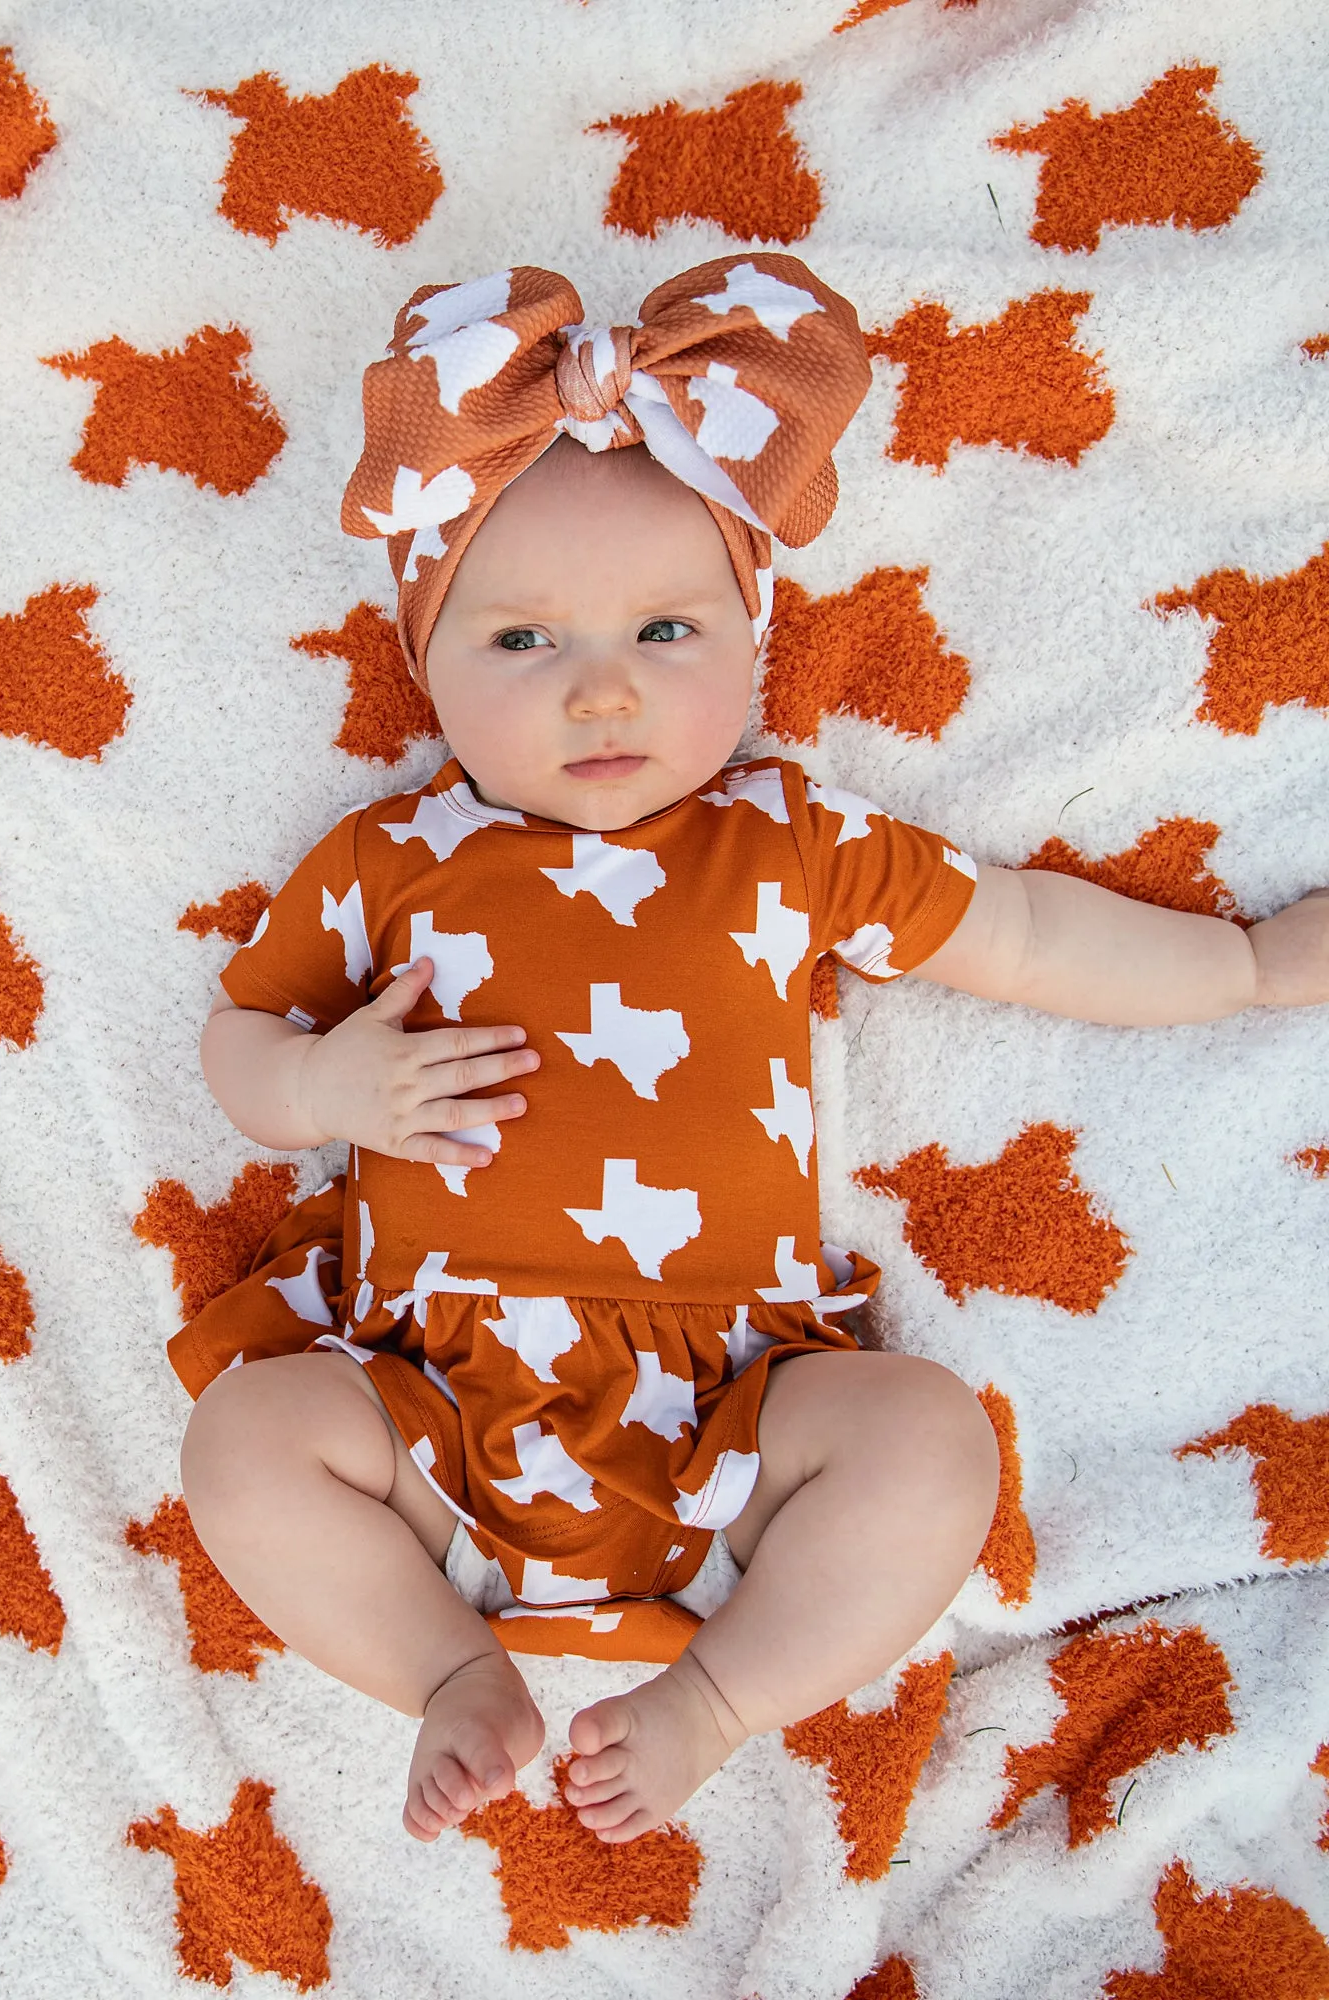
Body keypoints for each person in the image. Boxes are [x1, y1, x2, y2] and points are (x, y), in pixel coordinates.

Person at [170, 255, 1329, 1846]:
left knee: (928, 1447)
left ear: (752, 636)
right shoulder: (392, 859)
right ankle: (452, 1673)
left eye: (665, 627)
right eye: (518, 641)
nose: (601, 687)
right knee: (241, 1443)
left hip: (732, 1409)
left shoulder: (782, 841)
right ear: (422, 660)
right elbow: (241, 1039)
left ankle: (714, 1700)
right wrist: (322, 1087)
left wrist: (1253, 969)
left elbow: (1024, 935)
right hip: (426, 1402)